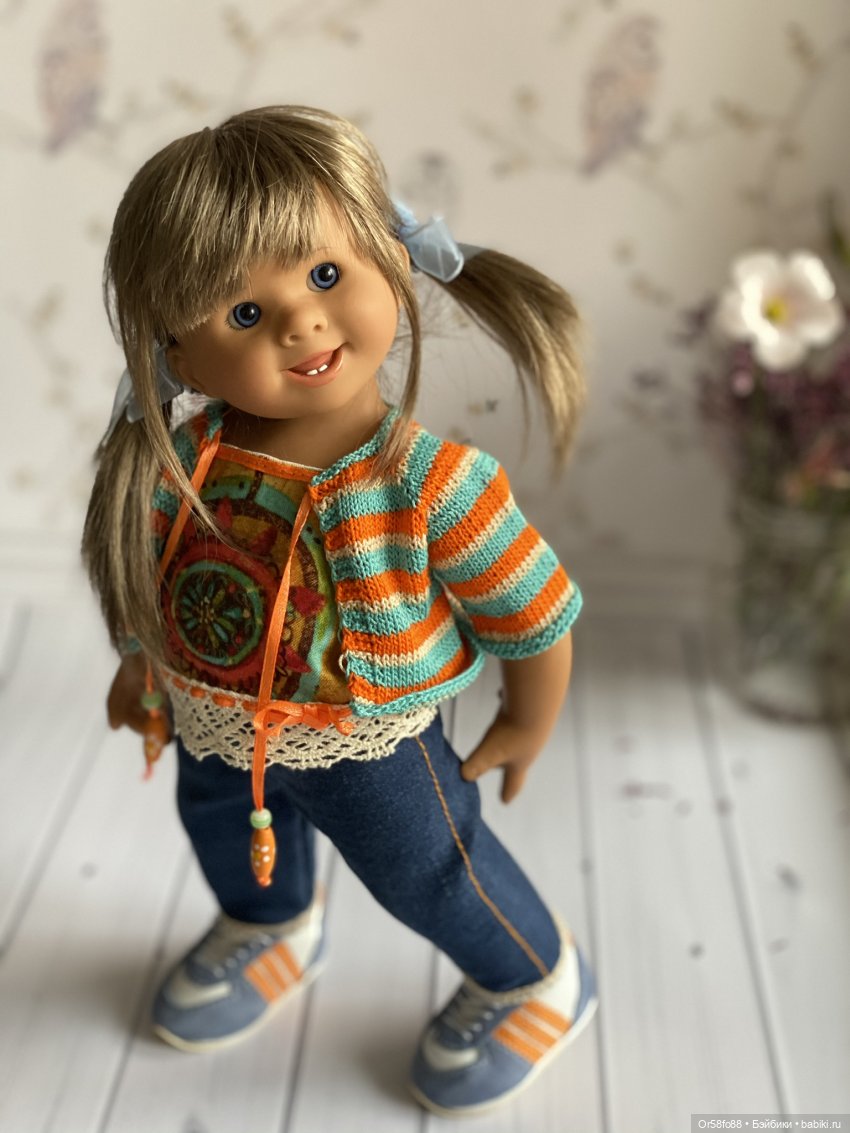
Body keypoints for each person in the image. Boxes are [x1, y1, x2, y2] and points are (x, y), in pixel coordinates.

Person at [82, 105, 596, 1117]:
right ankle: (270, 924)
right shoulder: (186, 463)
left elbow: (532, 612)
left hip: (372, 745)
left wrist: (528, 715)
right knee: (222, 828)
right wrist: (141, 664)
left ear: (390, 261)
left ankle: (533, 973)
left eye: (325, 274)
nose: (300, 323)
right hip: (214, 720)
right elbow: (159, 579)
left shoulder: (429, 483)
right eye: (242, 312)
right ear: (177, 350)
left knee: (430, 872)